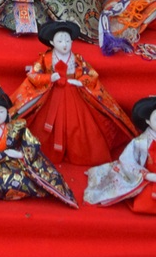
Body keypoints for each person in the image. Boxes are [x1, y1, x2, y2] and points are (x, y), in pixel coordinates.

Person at [11, 21, 135, 165]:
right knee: (43, 127)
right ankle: (45, 153)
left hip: (73, 93)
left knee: (79, 127)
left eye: (68, 40)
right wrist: (49, 77)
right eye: (60, 41)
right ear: (52, 42)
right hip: (52, 94)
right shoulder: (45, 58)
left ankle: (80, 154)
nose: (64, 44)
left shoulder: (77, 59)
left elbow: (91, 74)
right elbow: (33, 74)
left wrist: (81, 81)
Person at [84, 96, 156, 211]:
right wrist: (146, 175)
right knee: (146, 202)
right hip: (147, 177)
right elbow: (127, 160)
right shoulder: (140, 142)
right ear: (147, 121)